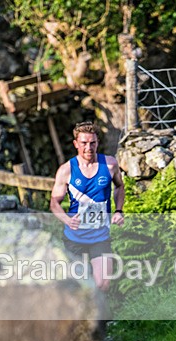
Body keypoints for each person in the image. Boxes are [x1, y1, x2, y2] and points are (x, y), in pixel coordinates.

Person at [50, 121, 125, 292]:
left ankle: (101, 318)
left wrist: (119, 211)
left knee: (102, 285)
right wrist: (67, 220)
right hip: (74, 238)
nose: (88, 147)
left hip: (100, 236)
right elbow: (54, 203)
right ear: (76, 144)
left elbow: (120, 187)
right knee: (77, 288)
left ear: (98, 143)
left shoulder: (110, 164)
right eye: (84, 143)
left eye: (92, 143)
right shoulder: (66, 170)